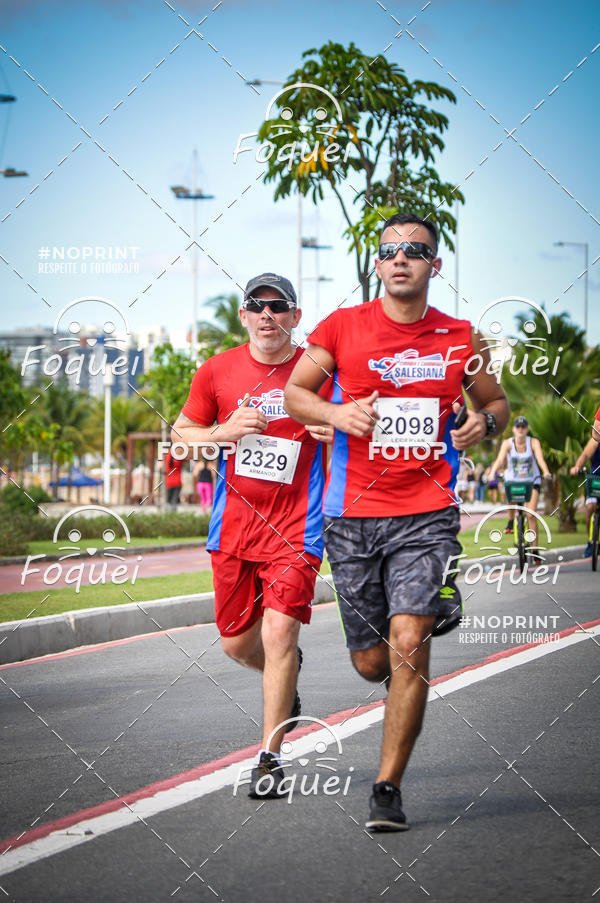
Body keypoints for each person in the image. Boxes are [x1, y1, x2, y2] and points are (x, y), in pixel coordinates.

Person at [284, 212, 509, 831]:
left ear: (435, 265)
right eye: (390, 251)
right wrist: (339, 412)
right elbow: (294, 394)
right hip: (351, 515)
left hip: (427, 513)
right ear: (377, 265)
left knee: (409, 644)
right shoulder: (341, 327)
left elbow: (494, 402)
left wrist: (482, 423)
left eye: (416, 250)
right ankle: (402, 660)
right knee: (371, 664)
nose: (401, 258)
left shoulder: (461, 337)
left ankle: (388, 788)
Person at [172, 273, 332, 798]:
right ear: (243, 316)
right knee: (237, 644)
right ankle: (283, 681)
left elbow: (359, 419)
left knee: (279, 633)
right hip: (234, 529)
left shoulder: (317, 370)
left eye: (279, 307)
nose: (268, 315)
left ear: (295, 317)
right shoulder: (217, 371)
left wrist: (334, 424)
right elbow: (179, 438)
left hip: (296, 527)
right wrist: (221, 433)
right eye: (256, 306)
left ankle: (270, 757)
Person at [488, 416, 550, 549]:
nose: (520, 429)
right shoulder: (507, 443)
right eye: (518, 427)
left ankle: (534, 549)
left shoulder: (533, 442)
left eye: (523, 427)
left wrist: (546, 472)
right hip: (514, 480)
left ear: (527, 429)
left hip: (532, 480)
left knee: (530, 514)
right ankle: (511, 521)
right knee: (508, 488)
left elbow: (540, 459)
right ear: (514, 429)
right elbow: (499, 460)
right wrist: (492, 473)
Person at [570, 409, 600, 556]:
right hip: (596, 479)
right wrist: (577, 466)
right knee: (590, 507)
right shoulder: (595, 440)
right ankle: (590, 542)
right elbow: (585, 455)